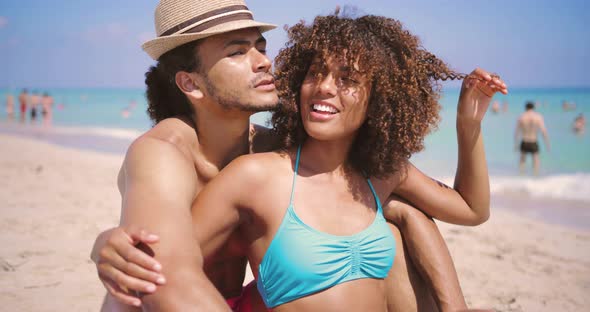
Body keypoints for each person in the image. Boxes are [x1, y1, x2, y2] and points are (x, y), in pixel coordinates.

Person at [91, 4, 505, 312]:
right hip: (169, 302)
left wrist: (468, 127)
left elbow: (464, 208)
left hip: (250, 301)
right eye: (237, 52)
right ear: (191, 83)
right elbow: (163, 277)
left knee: (401, 215)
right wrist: (104, 243)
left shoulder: (279, 152)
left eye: (260, 46)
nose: (264, 60)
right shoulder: (163, 154)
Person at [515, 101, 550, 175]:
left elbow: (517, 132)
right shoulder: (538, 117)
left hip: (524, 141)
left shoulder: (521, 117)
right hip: (534, 141)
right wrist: (547, 144)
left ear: (525, 108)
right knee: (536, 162)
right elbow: (543, 131)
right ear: (533, 108)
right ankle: (535, 177)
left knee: (522, 162)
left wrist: (516, 145)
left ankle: (521, 176)